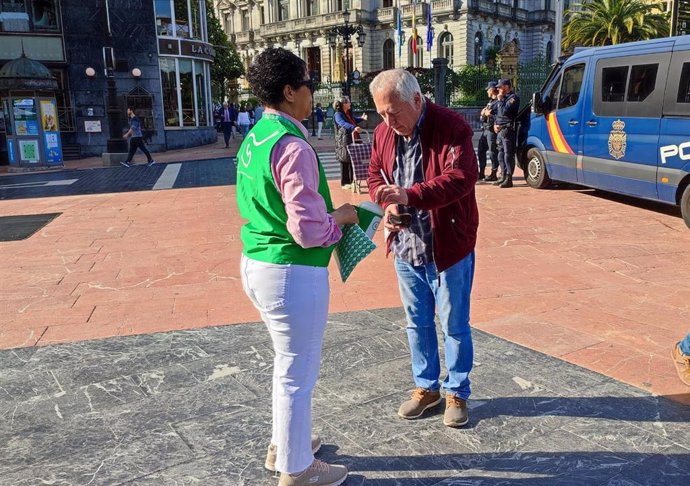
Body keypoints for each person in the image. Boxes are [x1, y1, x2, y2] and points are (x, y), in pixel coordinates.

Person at [236, 47, 357, 486]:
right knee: (296, 373)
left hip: (258, 262)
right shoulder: (293, 147)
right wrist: (342, 217)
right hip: (291, 270)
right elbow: (308, 230)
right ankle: (296, 469)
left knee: (287, 365)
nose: (312, 91)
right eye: (307, 83)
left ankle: (284, 445)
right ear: (290, 92)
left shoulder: (257, 136)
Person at [367, 69, 479, 428]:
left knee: (454, 325)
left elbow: (461, 178)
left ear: (417, 100)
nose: (387, 121)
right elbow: (374, 175)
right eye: (381, 113)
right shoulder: (384, 133)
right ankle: (426, 387)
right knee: (417, 323)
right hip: (406, 247)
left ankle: (457, 392)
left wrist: (409, 195)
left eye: (393, 112)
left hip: (447, 247)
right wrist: (387, 204)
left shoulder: (452, 127)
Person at [333, 97, 367, 190]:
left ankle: (353, 181)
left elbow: (353, 120)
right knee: (345, 161)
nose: (350, 103)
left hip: (352, 139)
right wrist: (354, 128)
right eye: (348, 102)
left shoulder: (348, 113)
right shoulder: (338, 114)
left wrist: (361, 119)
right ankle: (345, 183)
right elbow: (342, 123)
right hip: (343, 140)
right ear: (344, 104)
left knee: (353, 160)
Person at [493, 78, 520, 188]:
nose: (498, 89)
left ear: (506, 86)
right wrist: (495, 123)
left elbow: (505, 112)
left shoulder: (513, 98)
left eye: (500, 86)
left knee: (508, 154)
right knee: (500, 153)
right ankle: (503, 176)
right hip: (500, 129)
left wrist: (500, 100)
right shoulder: (502, 98)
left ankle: (509, 178)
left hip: (508, 129)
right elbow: (496, 114)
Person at [477, 82, 500, 182]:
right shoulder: (490, 102)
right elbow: (482, 117)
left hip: (492, 131)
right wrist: (484, 114)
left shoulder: (498, 102)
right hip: (485, 130)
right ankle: (481, 172)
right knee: (481, 151)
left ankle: (494, 173)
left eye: (488, 89)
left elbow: (499, 116)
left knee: (492, 152)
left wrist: (488, 115)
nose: (487, 91)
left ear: (492, 90)